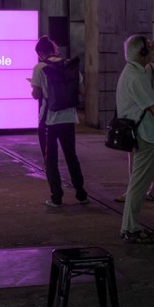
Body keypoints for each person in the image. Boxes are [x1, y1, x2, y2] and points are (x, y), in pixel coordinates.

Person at [116, 34, 154, 243]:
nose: (152, 51)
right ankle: (131, 228)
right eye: (149, 48)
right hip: (144, 134)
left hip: (138, 132)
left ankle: (129, 227)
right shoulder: (137, 77)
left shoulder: (132, 72)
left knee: (138, 182)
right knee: (138, 184)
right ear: (142, 52)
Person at [32, 35, 88, 206]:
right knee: (71, 156)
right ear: (54, 49)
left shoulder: (40, 68)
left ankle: (56, 197)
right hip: (69, 118)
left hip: (49, 120)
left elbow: (36, 95)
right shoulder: (69, 64)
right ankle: (81, 194)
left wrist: (34, 87)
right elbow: (82, 91)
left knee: (51, 160)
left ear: (40, 53)